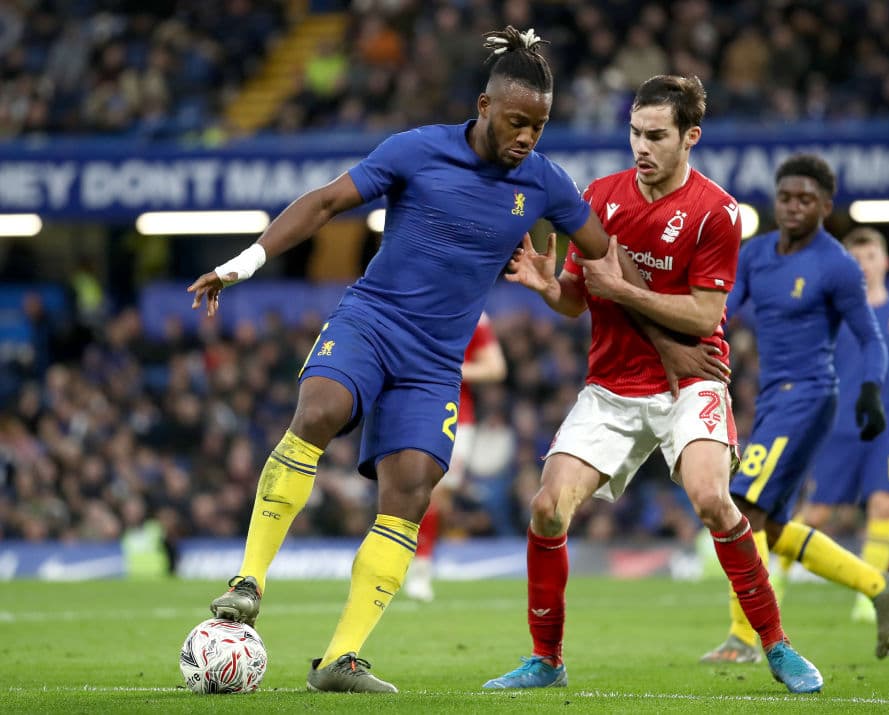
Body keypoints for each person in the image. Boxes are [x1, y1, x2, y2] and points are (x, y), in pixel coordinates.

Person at [188, 26, 695, 694]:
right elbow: (326, 201)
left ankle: (341, 658)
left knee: (412, 489)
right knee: (321, 409)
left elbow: (602, 249)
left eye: (538, 127)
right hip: (371, 321)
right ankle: (247, 579)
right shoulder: (417, 150)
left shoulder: (544, 182)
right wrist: (244, 262)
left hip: (434, 361)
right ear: (484, 108)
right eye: (517, 122)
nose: (526, 139)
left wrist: (607, 306)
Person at [482, 75, 822, 694]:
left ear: (690, 137)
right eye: (635, 133)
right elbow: (578, 298)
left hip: (689, 381)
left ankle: (777, 645)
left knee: (714, 500)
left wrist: (622, 290)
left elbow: (704, 317)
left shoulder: (715, 212)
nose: (642, 146)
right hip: (610, 387)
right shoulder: (600, 196)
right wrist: (547, 286)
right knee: (546, 508)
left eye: (657, 136)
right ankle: (547, 659)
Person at [701, 154, 889, 666]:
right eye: (785, 198)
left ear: (825, 205)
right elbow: (723, 312)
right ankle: (878, 585)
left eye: (805, 200)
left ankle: (742, 638)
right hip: (774, 397)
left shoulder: (837, 264)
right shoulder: (755, 255)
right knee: (770, 526)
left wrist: (870, 389)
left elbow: (870, 337)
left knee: (741, 508)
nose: (793, 208)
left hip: (812, 396)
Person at [784, 228, 889, 622]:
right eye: (856, 259)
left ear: (884, 262)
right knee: (818, 513)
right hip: (837, 425)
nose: (864, 265)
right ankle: (775, 578)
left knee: (883, 503)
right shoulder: (832, 311)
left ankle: (870, 594)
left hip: (884, 426)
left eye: (870, 257)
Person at [405, 312, 507, 602]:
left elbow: (495, 368)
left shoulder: (476, 315)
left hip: (456, 417)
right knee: (408, 490)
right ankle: (402, 562)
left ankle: (421, 569)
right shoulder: (417, 305)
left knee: (436, 495)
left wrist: (447, 369)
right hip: (412, 408)